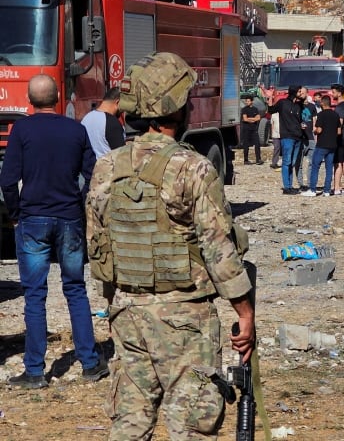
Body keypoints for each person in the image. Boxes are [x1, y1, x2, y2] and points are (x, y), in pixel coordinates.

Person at [85, 52, 255, 439]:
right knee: (192, 422)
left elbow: (98, 243)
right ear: (179, 109)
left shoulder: (107, 166)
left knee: (129, 422)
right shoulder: (192, 168)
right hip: (184, 317)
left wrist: (119, 297)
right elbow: (219, 249)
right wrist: (244, 312)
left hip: (126, 312)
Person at [0, 74, 107, 389]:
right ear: (59, 95)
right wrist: (81, 205)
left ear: (31, 101)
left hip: (32, 219)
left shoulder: (21, 130)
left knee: (35, 295)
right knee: (75, 290)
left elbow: (7, 180)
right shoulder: (76, 130)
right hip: (69, 219)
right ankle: (89, 363)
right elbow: (93, 175)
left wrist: (16, 214)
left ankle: (35, 371)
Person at [267, 85, 305, 194]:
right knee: (287, 162)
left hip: (298, 136)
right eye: (299, 91)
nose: (300, 93)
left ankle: (290, 185)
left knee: (292, 163)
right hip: (287, 136)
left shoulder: (299, 105)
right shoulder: (282, 103)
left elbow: (304, 101)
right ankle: (287, 187)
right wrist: (269, 98)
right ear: (293, 92)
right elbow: (271, 110)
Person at [301, 95, 340, 197]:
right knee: (329, 168)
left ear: (322, 103)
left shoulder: (321, 115)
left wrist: (314, 130)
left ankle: (313, 190)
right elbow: (339, 131)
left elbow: (319, 130)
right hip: (332, 145)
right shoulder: (336, 115)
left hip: (322, 144)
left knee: (315, 166)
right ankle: (327, 191)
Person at [81, 87, 125, 158]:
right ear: (117, 102)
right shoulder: (112, 122)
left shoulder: (86, 118)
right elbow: (122, 157)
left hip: (90, 167)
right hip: (107, 168)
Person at [240, 94, 263, 165]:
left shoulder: (255, 109)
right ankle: (246, 160)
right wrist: (253, 119)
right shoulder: (244, 109)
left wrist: (250, 119)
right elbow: (245, 119)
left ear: (252, 101)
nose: (247, 102)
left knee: (257, 144)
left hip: (254, 130)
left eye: (248, 101)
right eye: (246, 101)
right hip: (246, 129)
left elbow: (258, 118)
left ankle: (258, 159)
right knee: (246, 145)